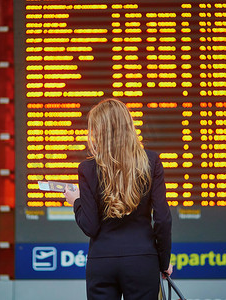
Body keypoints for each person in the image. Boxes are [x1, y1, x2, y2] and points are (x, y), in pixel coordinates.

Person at [64, 98, 173, 300]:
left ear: (98, 131)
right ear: (128, 125)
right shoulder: (151, 161)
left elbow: (90, 227)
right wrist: (163, 261)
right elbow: (163, 219)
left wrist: (76, 202)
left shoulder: (87, 169)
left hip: (102, 262)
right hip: (142, 260)